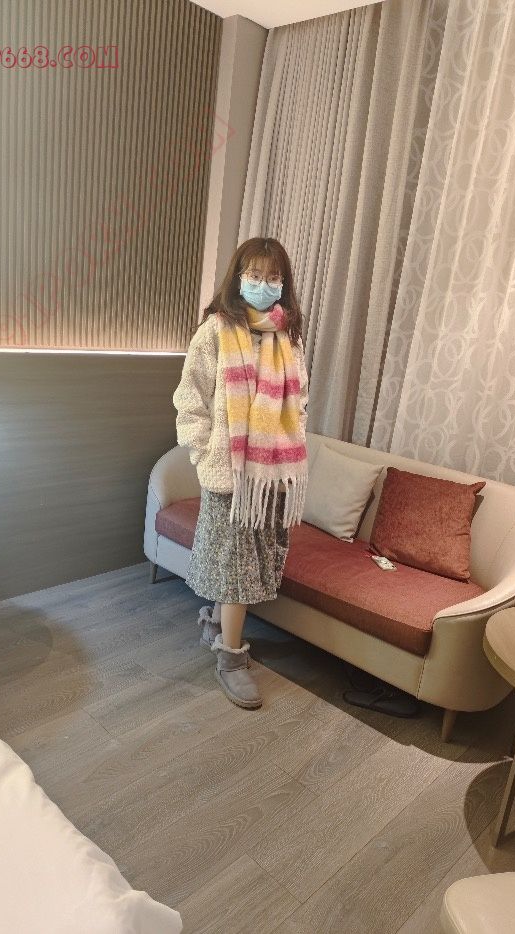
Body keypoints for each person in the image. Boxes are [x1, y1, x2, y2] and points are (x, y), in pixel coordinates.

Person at [172, 237, 309, 709]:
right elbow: (190, 400)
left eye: (273, 277)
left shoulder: (287, 337)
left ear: (283, 283)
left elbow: (300, 401)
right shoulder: (214, 331)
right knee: (235, 566)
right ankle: (231, 657)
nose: (263, 284)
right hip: (229, 474)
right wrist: (203, 453)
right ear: (238, 277)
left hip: (271, 477)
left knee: (253, 561)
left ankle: (216, 624)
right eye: (254, 275)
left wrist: (288, 444)